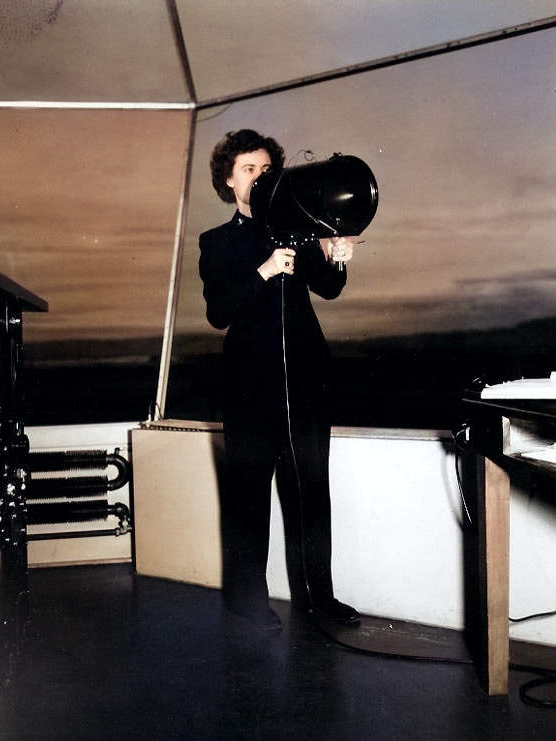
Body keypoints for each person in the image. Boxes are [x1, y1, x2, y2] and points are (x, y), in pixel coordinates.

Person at [199, 129, 359, 633]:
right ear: (228, 182)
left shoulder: (296, 229)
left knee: (312, 494)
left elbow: (328, 288)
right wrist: (264, 271)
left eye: (268, 168)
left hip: (307, 385)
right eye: (249, 168)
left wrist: (336, 255)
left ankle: (320, 601)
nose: (260, 176)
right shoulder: (217, 242)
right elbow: (219, 312)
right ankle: (248, 604)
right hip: (249, 391)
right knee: (249, 501)